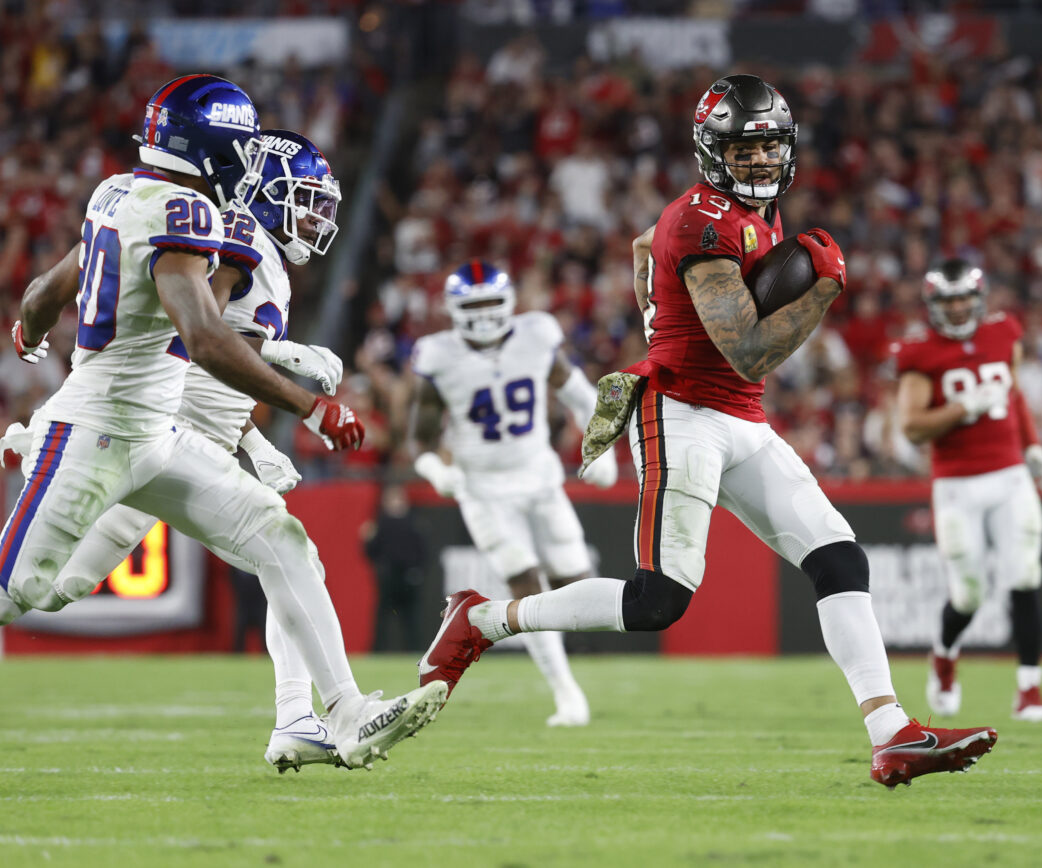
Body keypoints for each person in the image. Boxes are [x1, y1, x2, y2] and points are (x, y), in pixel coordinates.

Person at [417, 74, 998, 787]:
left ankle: (892, 733)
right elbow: (749, 348)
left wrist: (655, 308)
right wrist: (822, 288)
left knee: (840, 558)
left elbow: (642, 247)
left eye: (770, 145)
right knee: (657, 600)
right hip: (683, 410)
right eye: (744, 147)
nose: (760, 161)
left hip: (740, 415)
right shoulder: (701, 221)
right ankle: (483, 620)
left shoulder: (743, 214)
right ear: (710, 149)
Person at [0, 76, 447, 770]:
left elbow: (42, 293)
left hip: (152, 435)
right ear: (215, 147)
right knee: (21, 591)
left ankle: (343, 714)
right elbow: (206, 340)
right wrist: (312, 405)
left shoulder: (116, 192)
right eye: (238, 144)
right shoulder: (185, 210)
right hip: (97, 428)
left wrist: (27, 331)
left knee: (281, 537)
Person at [408, 259, 618, 727]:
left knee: (575, 583)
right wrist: (434, 470)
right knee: (524, 583)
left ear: (507, 304)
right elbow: (419, 440)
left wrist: (601, 445)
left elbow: (583, 395)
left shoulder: (536, 335)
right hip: (483, 489)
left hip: (540, 476)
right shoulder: (438, 356)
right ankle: (566, 693)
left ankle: (567, 678)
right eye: (473, 305)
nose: (483, 315)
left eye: (489, 303)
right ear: (454, 310)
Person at [893, 259, 1042, 722]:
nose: (958, 307)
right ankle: (945, 657)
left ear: (979, 297)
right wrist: (961, 408)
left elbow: (1014, 397)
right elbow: (911, 427)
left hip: (1009, 475)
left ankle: (1029, 690)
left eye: (963, 297)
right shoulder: (918, 354)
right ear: (934, 305)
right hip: (956, 482)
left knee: (1025, 575)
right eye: (948, 300)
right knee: (968, 594)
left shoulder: (1003, 332)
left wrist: (1033, 449)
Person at [363, 484, 428, 652]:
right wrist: (368, 540)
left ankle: (414, 650)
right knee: (383, 617)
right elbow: (372, 553)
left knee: (410, 618)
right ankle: (378, 650)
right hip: (389, 576)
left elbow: (422, 551)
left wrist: (417, 571)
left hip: (407, 575)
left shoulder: (413, 522)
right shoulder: (382, 522)